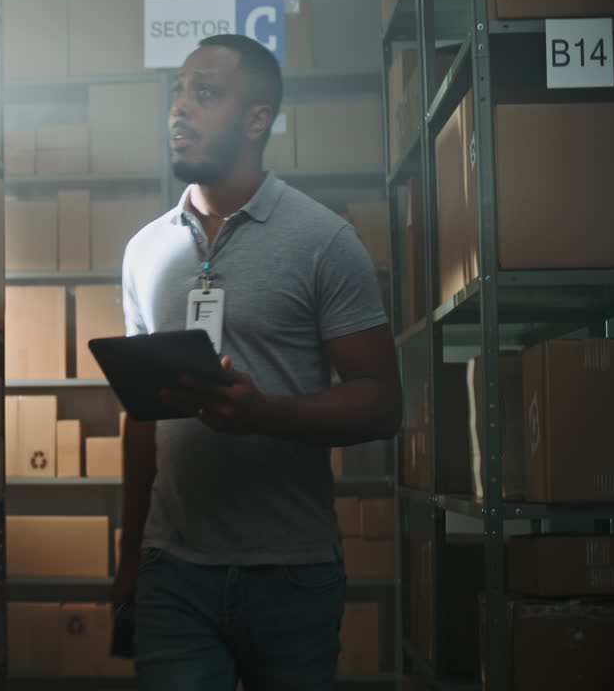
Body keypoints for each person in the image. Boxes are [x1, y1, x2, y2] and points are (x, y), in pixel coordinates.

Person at [111, 34, 402, 691]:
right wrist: (131, 555)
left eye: (204, 93)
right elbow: (141, 419)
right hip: (173, 569)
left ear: (257, 120)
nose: (179, 109)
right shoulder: (144, 251)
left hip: (291, 572)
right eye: (177, 91)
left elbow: (384, 401)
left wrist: (264, 413)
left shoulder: (324, 240)